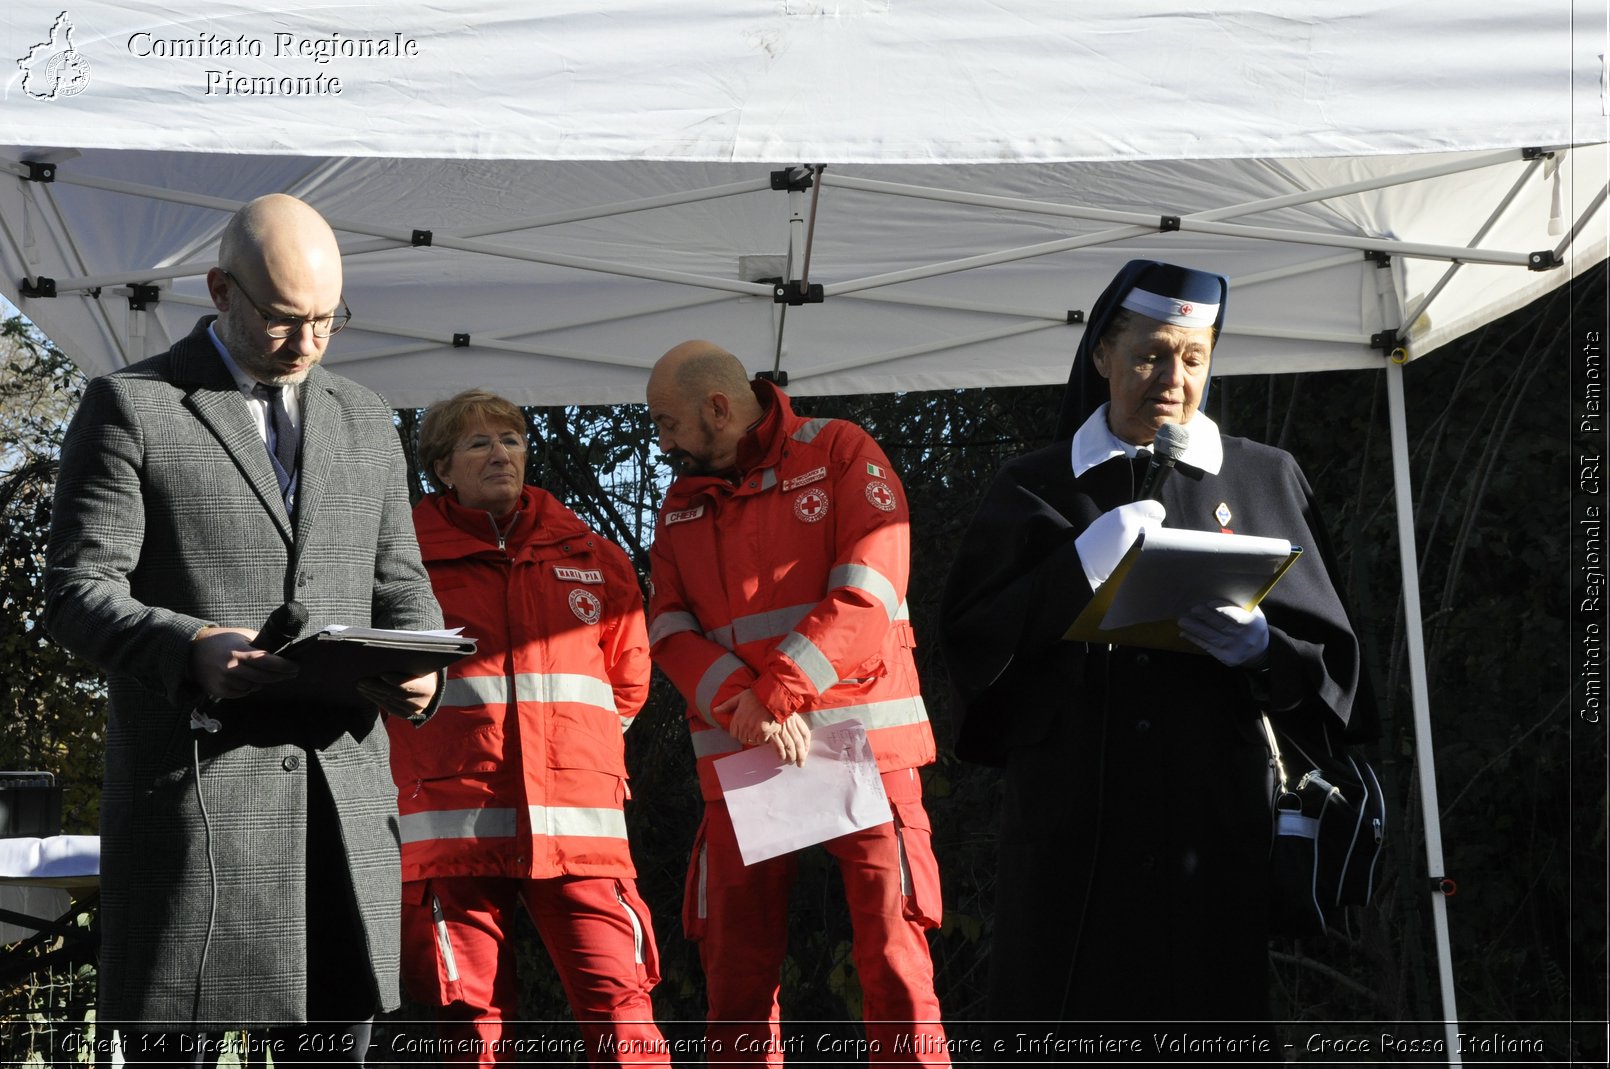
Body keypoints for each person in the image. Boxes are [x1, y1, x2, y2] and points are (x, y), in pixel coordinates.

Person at [43, 194, 443, 1062]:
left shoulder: (366, 419)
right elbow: (77, 589)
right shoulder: (132, 406)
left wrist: (422, 666)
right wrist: (191, 646)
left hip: (340, 812)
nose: (305, 343)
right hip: (194, 813)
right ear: (220, 288)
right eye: (282, 319)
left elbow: (402, 587)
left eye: (327, 321)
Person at [941, 260, 1375, 1031]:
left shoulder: (1267, 477)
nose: (1172, 378)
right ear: (1103, 354)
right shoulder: (1034, 486)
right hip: (1072, 837)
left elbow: (1337, 668)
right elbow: (973, 654)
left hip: (1211, 832)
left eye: (1194, 357)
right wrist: (1077, 566)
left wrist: (1263, 651)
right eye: (1149, 354)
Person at [644, 341, 950, 1066]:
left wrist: (771, 696)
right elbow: (667, 627)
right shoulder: (682, 502)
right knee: (737, 980)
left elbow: (872, 587)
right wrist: (741, 705)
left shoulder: (841, 450)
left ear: (718, 407)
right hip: (749, 751)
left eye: (666, 424)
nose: (662, 445)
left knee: (896, 965)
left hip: (861, 750)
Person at [388, 388, 668, 1067]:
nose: (500, 454)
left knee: (623, 1011)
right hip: (453, 829)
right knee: (472, 1024)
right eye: (479, 443)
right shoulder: (401, 561)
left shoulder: (593, 555)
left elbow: (627, 682)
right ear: (441, 467)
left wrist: (574, 755)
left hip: (578, 829)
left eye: (510, 439)